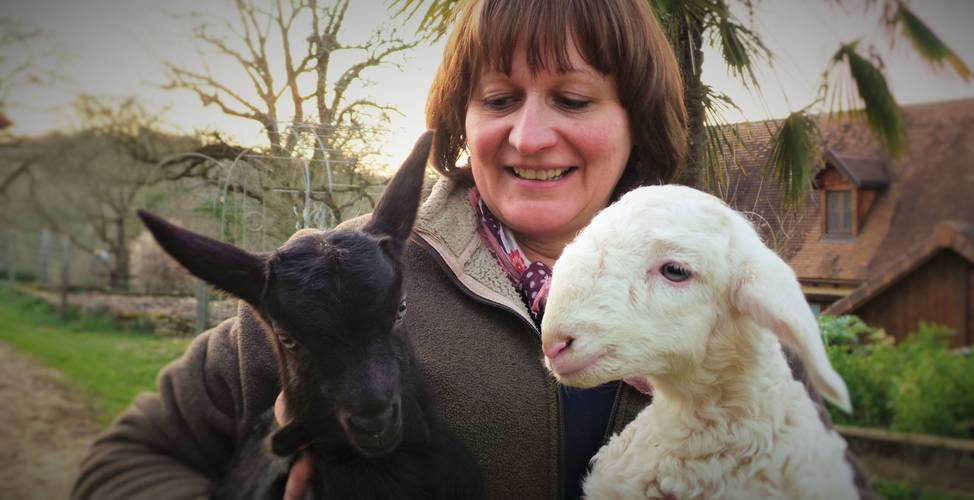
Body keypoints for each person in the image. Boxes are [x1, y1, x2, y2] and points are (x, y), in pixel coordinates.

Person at [72, 1, 875, 499]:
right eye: (498, 99)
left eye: (572, 98)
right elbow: (127, 462)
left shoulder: (726, 293)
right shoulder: (346, 286)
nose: (529, 135)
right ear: (463, 118)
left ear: (636, 120)